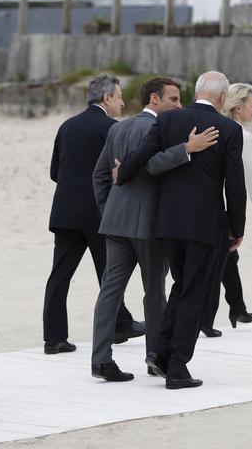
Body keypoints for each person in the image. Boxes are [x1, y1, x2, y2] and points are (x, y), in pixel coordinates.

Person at [114, 71, 246, 389]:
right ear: (223, 96)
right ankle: (177, 368)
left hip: (169, 222)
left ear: (197, 91)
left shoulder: (168, 121)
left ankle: (159, 353)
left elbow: (142, 156)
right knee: (193, 293)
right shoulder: (229, 129)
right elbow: (235, 184)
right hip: (204, 223)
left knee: (181, 286)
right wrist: (237, 227)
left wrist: (123, 172)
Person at [91, 77, 220, 381]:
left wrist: (108, 211)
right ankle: (154, 357)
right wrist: (187, 149)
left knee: (110, 291)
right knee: (155, 292)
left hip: (116, 223)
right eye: (174, 99)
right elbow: (151, 164)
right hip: (149, 224)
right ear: (154, 99)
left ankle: (100, 360)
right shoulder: (160, 129)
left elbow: (99, 176)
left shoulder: (117, 127)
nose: (179, 105)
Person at [43, 74, 144, 355]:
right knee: (110, 274)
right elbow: (118, 173)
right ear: (107, 98)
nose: (122, 103)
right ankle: (119, 325)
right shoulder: (112, 128)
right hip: (99, 213)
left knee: (60, 275)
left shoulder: (67, 126)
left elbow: (55, 172)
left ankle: (53, 338)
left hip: (65, 212)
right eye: (119, 97)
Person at [200, 83, 252, 337]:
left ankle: (237, 308)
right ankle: (208, 319)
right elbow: (249, 171)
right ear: (238, 107)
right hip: (227, 204)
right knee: (221, 259)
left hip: (211, 202)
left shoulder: (214, 127)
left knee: (229, 257)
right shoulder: (241, 134)